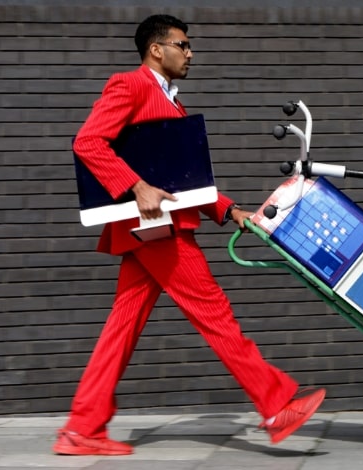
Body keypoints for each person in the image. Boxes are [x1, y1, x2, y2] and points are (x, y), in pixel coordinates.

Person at [54, 14, 325, 456]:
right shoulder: (130, 85)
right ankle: (275, 405)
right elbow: (88, 143)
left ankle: (82, 428)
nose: (191, 52)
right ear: (156, 49)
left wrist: (228, 209)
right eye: (183, 44)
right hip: (158, 230)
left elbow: (183, 179)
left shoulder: (170, 101)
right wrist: (135, 186)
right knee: (214, 313)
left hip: (152, 230)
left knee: (120, 329)